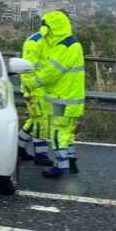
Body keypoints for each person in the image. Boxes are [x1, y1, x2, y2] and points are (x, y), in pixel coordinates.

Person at [25, 10, 85, 179]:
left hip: (61, 98)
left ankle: (61, 167)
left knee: (57, 132)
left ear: (54, 27)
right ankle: (71, 162)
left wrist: (31, 83)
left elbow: (51, 73)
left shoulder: (62, 47)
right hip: (74, 98)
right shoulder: (74, 44)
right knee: (68, 132)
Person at [17, 24, 52, 166]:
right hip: (34, 90)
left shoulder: (52, 41)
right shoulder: (36, 41)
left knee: (35, 120)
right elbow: (26, 69)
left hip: (46, 89)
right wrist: (28, 90)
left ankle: (19, 148)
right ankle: (41, 155)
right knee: (40, 121)